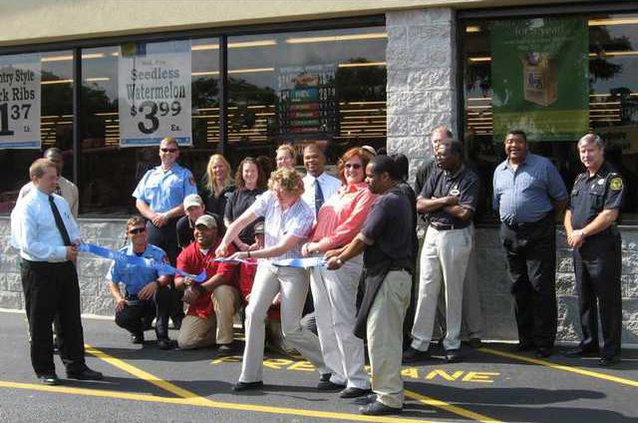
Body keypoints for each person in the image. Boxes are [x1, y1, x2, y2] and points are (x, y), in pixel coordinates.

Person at [215, 167, 329, 392]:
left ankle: (329, 367)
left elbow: (280, 248)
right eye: (274, 191)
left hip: (293, 270)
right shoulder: (269, 196)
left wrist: (246, 254)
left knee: (291, 329)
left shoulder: (305, 213)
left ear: (295, 191)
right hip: (268, 266)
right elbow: (241, 221)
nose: (276, 196)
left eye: (281, 193)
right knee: (253, 313)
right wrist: (224, 242)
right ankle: (250, 376)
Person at [325, 155, 414, 416]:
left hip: (389, 276)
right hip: (394, 276)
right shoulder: (400, 196)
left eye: (372, 175)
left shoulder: (387, 201)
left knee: (382, 340)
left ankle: (388, 398)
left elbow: (365, 238)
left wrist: (340, 257)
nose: (367, 179)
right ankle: (392, 391)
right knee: (388, 338)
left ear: (386, 177)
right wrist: (341, 250)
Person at [11, 158, 102, 385]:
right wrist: (63, 252)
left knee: (70, 318)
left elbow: (71, 227)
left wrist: (77, 241)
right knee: (40, 321)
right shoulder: (27, 206)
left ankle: (76, 366)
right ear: (36, 179)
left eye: (57, 176)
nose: (56, 181)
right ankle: (44, 370)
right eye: (51, 178)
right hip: (39, 270)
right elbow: (28, 244)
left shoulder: (60, 201)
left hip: (64, 266)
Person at [301, 147, 376, 398]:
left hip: (343, 258)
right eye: (348, 166)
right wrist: (310, 241)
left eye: (357, 166)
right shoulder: (339, 191)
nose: (352, 170)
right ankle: (337, 373)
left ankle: (357, 378)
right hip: (318, 258)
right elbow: (323, 223)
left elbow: (351, 228)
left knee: (343, 319)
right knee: (323, 319)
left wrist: (319, 245)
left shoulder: (366, 194)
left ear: (366, 169)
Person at [493, 129, 568, 358]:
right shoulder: (499, 170)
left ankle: (544, 342)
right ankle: (525, 339)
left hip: (539, 233)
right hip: (510, 233)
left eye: (517, 141)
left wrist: (545, 222)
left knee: (540, 287)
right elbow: (497, 202)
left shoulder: (543, 166)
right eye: (509, 142)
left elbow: (561, 197)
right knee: (518, 288)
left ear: (526, 145)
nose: (513, 145)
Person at [404, 142, 480, 364]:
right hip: (433, 233)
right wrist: (446, 201)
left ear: (456, 155)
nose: (438, 159)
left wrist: (434, 203)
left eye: (443, 155)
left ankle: (452, 342)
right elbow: (419, 204)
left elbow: (465, 213)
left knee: (452, 291)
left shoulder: (470, 178)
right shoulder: (437, 173)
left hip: (456, 235)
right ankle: (419, 343)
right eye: (436, 155)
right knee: (426, 287)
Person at [563, 134, 624, 367]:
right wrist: (571, 231)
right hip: (580, 247)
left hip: (602, 248)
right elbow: (569, 209)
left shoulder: (612, 178)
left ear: (601, 151)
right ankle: (589, 344)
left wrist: (583, 233)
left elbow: (610, 214)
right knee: (584, 299)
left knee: (607, 301)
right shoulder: (580, 179)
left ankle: (610, 351)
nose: (586, 155)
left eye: (590, 151)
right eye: (582, 152)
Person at [106, 216, 176, 350]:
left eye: (141, 230)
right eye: (134, 231)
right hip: (133, 299)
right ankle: (138, 331)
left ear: (146, 231)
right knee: (121, 317)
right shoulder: (121, 256)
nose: (139, 233)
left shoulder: (157, 253)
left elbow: (167, 276)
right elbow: (112, 280)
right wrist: (119, 298)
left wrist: (156, 283)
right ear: (127, 234)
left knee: (164, 292)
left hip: (153, 298)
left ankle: (162, 336)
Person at [175, 215, 240, 353]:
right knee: (185, 342)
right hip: (201, 305)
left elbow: (223, 276)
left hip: (227, 299)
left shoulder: (225, 247)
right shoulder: (186, 253)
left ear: (215, 231)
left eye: (205, 229)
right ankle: (214, 332)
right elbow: (177, 281)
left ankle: (225, 341)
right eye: (197, 229)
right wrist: (186, 283)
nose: (200, 233)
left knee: (221, 290)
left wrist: (198, 289)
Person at [133, 136, 197, 265]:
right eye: (164, 150)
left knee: (176, 262)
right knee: (151, 263)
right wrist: (153, 216)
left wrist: (166, 215)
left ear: (178, 153)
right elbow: (139, 201)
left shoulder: (185, 174)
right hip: (153, 224)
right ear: (159, 152)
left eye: (172, 150)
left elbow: (190, 202)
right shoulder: (150, 175)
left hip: (176, 224)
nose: (168, 153)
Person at [17, 147, 79, 218]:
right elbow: (19, 217)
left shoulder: (71, 189)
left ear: (62, 163)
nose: (54, 164)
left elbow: (73, 220)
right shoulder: (27, 190)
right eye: (51, 161)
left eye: (57, 161)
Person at [224, 157, 267, 251]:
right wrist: (240, 244)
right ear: (242, 173)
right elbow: (227, 221)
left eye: (253, 170)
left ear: (258, 172)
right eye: (246, 171)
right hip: (236, 246)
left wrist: (260, 241)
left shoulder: (266, 195)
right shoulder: (234, 195)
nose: (250, 174)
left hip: (262, 246)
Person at [301, 143, 341, 216]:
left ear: (323, 159)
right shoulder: (298, 186)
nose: (311, 160)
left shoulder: (337, 185)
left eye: (315, 156)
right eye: (307, 158)